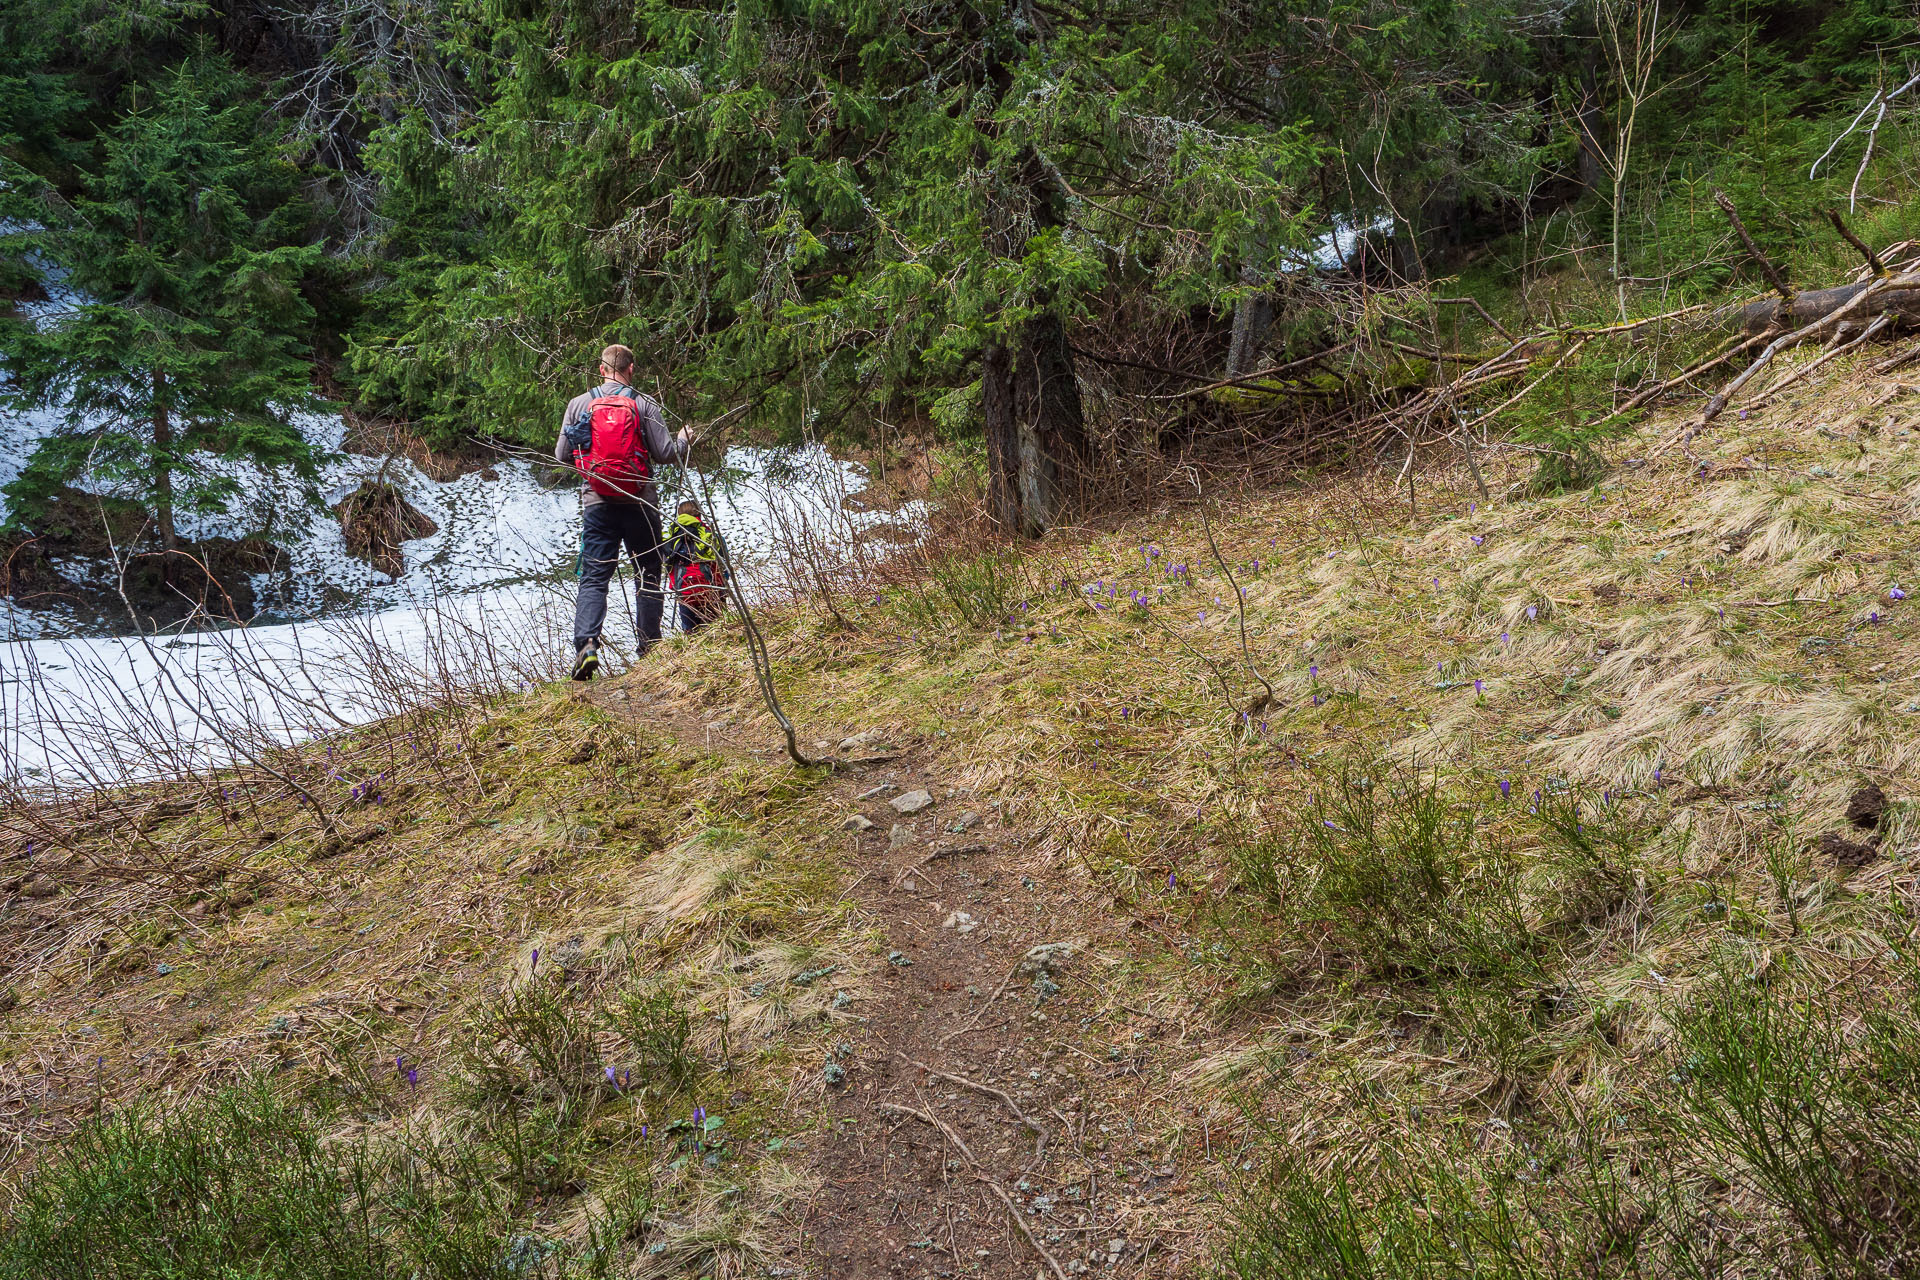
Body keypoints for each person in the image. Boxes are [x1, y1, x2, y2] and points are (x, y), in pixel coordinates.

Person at [555, 343, 693, 680]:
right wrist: (684, 438)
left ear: (601, 370)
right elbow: (664, 454)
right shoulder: (644, 404)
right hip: (640, 503)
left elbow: (561, 454)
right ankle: (650, 648)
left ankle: (587, 645)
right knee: (647, 572)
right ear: (631, 370)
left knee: (594, 578)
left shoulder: (579, 404)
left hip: (597, 505)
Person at [665, 500, 728, 634]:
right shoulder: (711, 536)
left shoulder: (671, 539)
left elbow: (669, 569)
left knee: (691, 636)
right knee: (719, 633)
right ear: (699, 514)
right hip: (712, 592)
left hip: (686, 595)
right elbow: (725, 569)